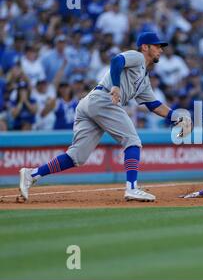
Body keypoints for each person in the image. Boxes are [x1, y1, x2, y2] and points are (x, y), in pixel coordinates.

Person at [19, 32, 192, 202]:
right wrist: (116, 86)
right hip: (103, 99)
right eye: (157, 46)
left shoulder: (144, 79)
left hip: (90, 103)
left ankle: (32, 174)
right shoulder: (138, 57)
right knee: (132, 141)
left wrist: (177, 117)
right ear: (144, 47)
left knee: (76, 157)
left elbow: (153, 105)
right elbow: (117, 60)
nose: (160, 49)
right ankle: (132, 188)